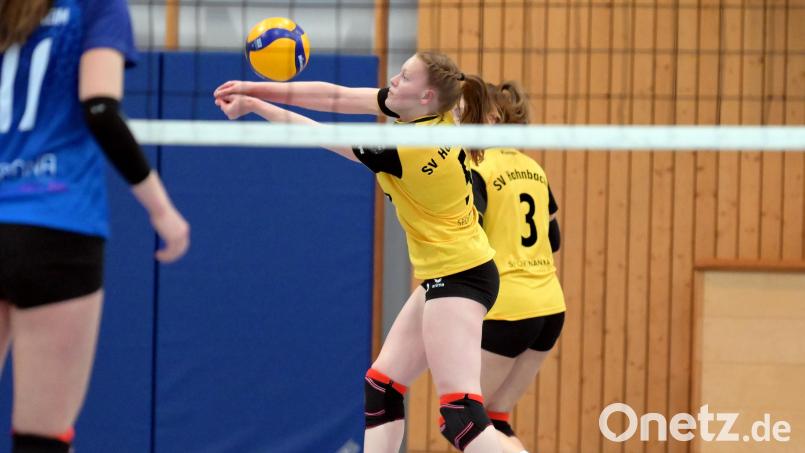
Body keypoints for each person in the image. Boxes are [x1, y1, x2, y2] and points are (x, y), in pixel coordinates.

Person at [214, 52, 503, 453]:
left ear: (426, 97)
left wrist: (256, 106)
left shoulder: (405, 148)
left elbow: (319, 132)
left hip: (459, 279)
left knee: (463, 419)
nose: (394, 80)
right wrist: (253, 87)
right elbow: (338, 96)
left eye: (405, 76)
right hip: (457, 273)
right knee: (382, 387)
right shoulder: (429, 115)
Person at [0, 1, 189, 451]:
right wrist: (161, 210)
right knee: (41, 439)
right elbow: (100, 108)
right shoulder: (97, 6)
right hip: (57, 230)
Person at [467, 82, 566, 453]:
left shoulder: (477, 167)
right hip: (550, 308)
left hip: (509, 309)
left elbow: (467, 238)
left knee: (459, 419)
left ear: (489, 119)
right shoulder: (533, 169)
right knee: (495, 418)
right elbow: (553, 240)